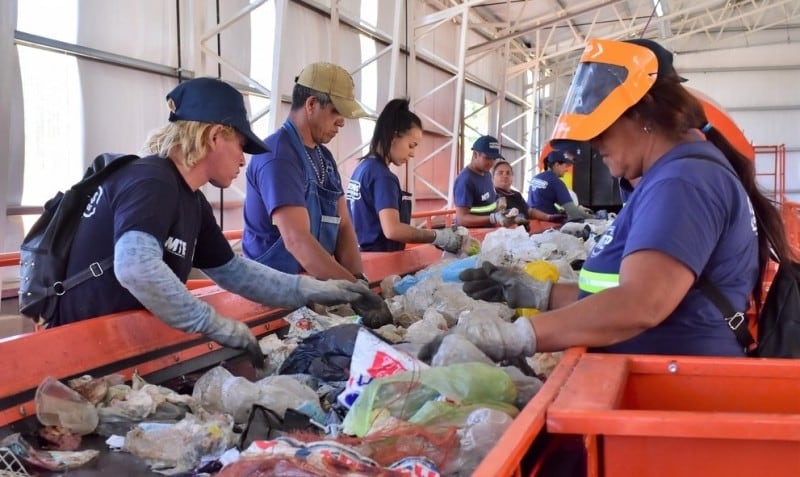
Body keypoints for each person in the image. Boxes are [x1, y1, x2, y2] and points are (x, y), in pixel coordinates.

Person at [448, 38, 789, 359]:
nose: (594, 144)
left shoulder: (683, 182)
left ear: (644, 112)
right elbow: (620, 292)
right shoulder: (679, 174)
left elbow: (639, 303)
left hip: (669, 389)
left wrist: (516, 337)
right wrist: (538, 293)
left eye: (601, 131)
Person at [55, 77, 379, 369]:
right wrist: (213, 323)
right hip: (71, 351)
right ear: (214, 136)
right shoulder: (151, 180)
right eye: (240, 145)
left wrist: (319, 290)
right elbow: (135, 266)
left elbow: (234, 273)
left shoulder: (192, 202)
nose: (243, 159)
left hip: (108, 349)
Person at [242, 62, 367, 281]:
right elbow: (296, 240)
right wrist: (353, 290)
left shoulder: (325, 158)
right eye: (336, 112)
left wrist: (359, 278)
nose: (342, 123)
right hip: (273, 290)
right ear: (311, 104)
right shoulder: (279, 157)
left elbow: (344, 227)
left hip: (314, 284)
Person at [346, 98, 464, 253]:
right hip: (381, 259)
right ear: (393, 138)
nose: (412, 153)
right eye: (411, 145)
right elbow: (392, 230)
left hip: (361, 256)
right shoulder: (383, 177)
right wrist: (438, 236)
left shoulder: (362, 168)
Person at [453, 135, 514, 227]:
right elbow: (462, 219)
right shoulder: (465, 181)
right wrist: (493, 218)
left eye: (494, 159)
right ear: (475, 155)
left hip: (487, 232)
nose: (491, 163)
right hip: (472, 237)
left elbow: (486, 201)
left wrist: (500, 206)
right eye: (487, 158)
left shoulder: (487, 174)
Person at [491, 160, 567, 225]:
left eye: (508, 173)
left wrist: (549, 217)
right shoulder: (492, 195)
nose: (505, 176)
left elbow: (529, 211)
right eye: (500, 173)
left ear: (512, 177)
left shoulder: (516, 195)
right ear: (493, 177)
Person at [527, 148, 594, 220]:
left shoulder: (535, 178)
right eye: (565, 166)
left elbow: (540, 203)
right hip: (547, 224)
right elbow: (573, 212)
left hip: (531, 223)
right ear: (557, 165)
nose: (566, 170)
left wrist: (570, 210)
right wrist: (594, 218)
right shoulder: (556, 182)